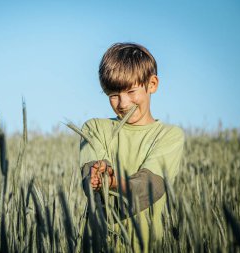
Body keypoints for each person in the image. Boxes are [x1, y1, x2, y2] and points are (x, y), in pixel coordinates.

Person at [79, 42, 185, 251]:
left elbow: (151, 185)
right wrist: (98, 173)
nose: (123, 103)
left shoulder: (169, 136)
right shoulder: (94, 128)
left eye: (131, 91)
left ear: (152, 84)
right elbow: (89, 176)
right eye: (113, 95)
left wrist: (112, 181)